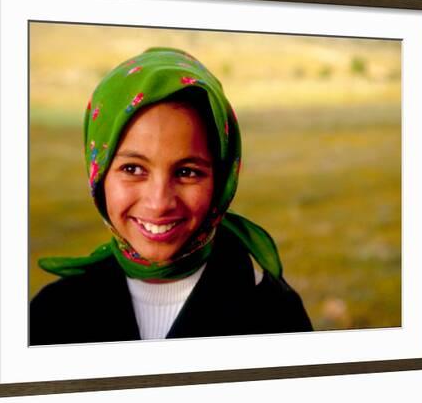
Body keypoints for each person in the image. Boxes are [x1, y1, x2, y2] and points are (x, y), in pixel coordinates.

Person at [30, 47, 312, 345]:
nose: (159, 202)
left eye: (187, 172)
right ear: (98, 173)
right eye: (133, 168)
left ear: (222, 179)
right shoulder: (52, 315)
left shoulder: (273, 316)